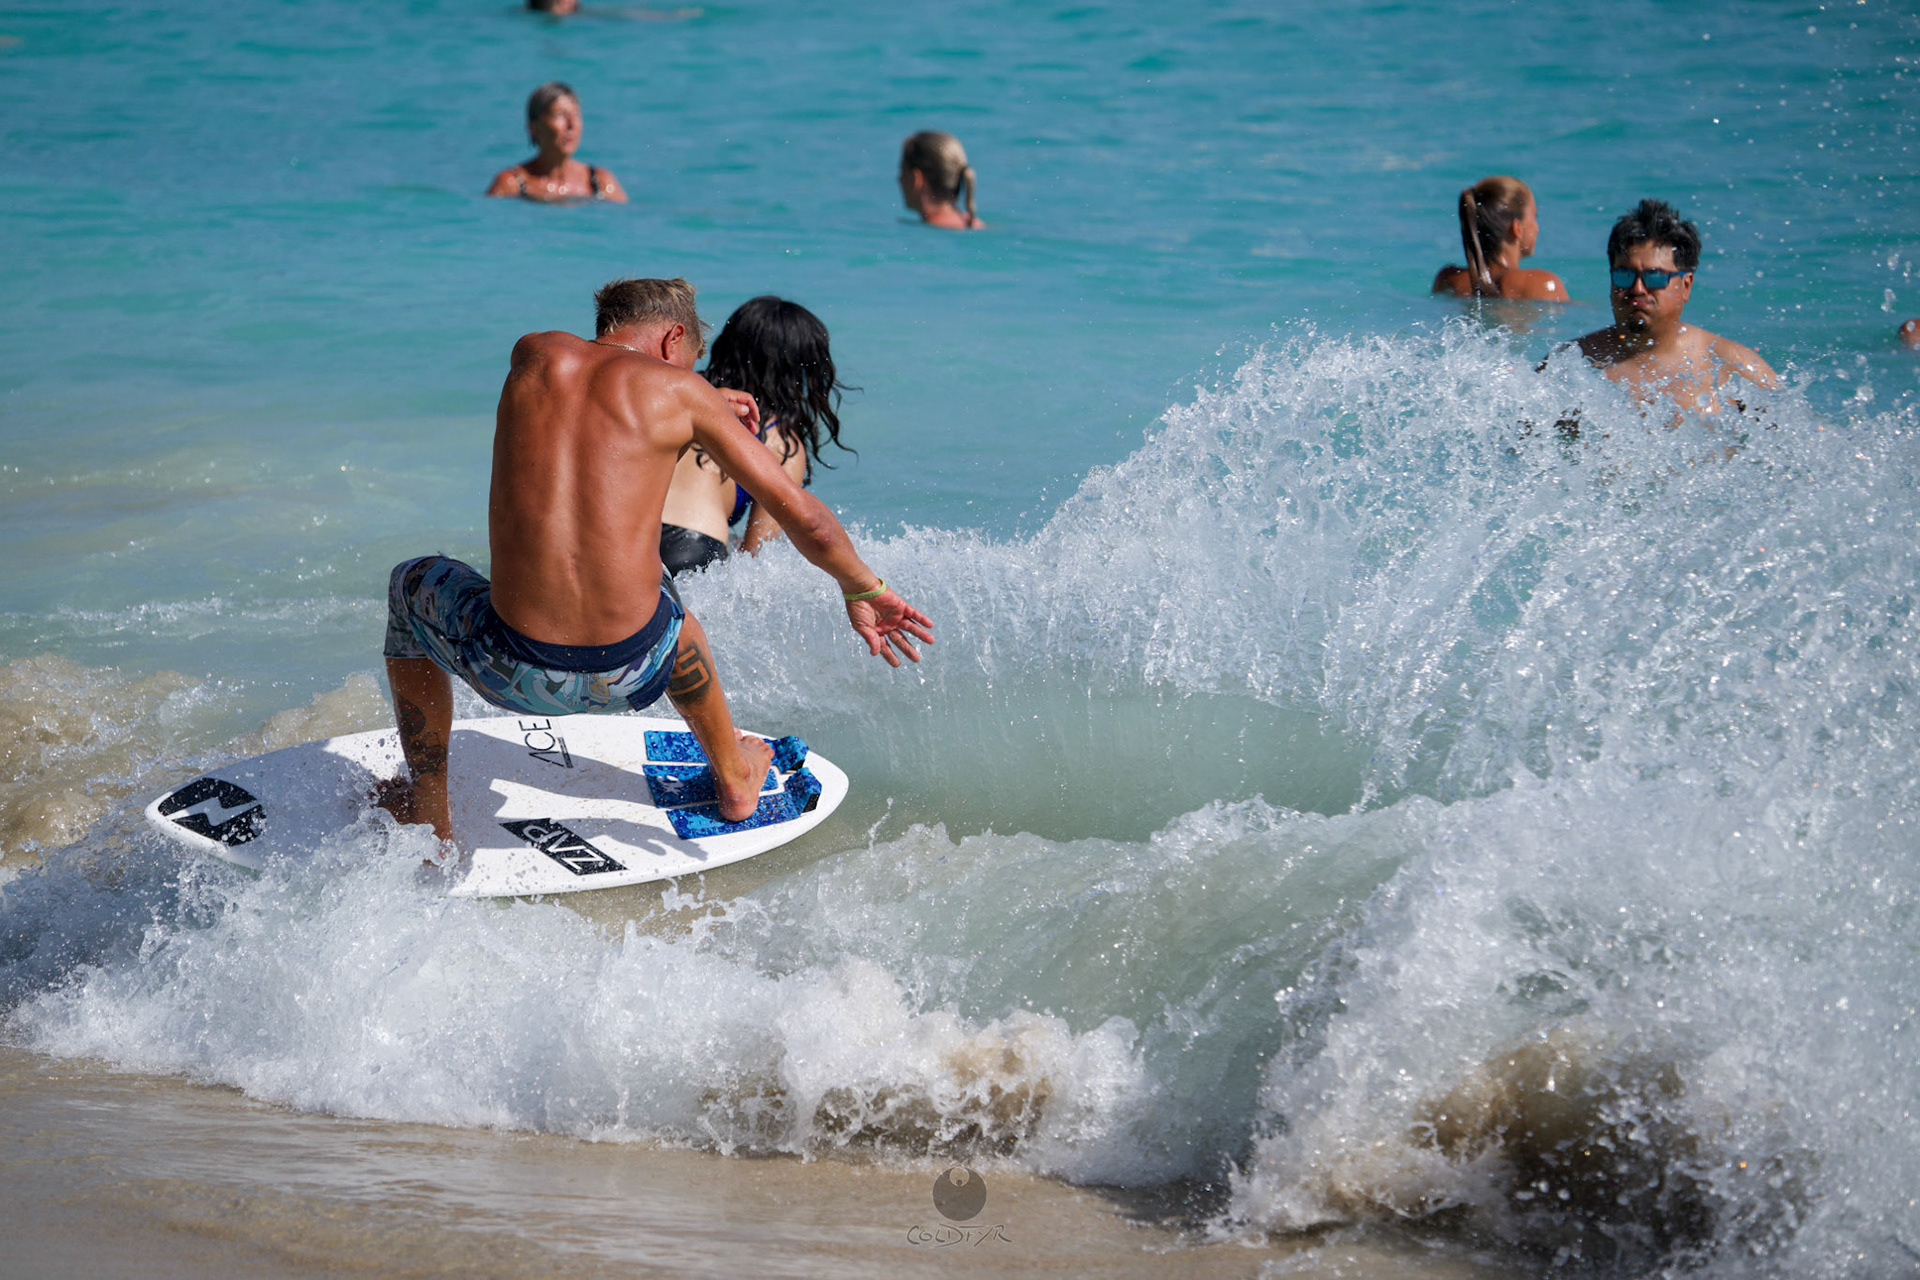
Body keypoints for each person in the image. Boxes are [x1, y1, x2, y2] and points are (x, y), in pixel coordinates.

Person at [380, 278, 932, 846]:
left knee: (408, 582)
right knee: (662, 589)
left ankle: (429, 811)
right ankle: (735, 777)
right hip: (635, 668)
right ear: (673, 339)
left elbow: (599, 394)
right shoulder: (683, 394)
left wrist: (697, 392)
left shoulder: (534, 353)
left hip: (510, 671)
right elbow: (808, 521)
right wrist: (865, 588)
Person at [659, 297, 855, 576]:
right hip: (693, 549)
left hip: (628, 536)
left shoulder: (680, 392)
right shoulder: (779, 440)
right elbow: (754, 556)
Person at [1574, 198, 1777, 411]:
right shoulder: (1576, 366)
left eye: (1654, 277)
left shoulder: (1735, 369)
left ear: (1686, 285)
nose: (1638, 288)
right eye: (1624, 275)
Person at [1432, 176, 1568, 301]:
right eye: (1535, 216)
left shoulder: (1447, 280)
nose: (1537, 228)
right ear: (1517, 228)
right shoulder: (1542, 284)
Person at [486, 82, 627, 203]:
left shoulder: (599, 182)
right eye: (560, 115)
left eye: (576, 115)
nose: (571, 125)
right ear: (534, 128)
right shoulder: (511, 183)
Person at [898, 131, 982, 229]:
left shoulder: (926, 229)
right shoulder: (976, 224)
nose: (899, 180)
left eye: (902, 172)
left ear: (915, 178)